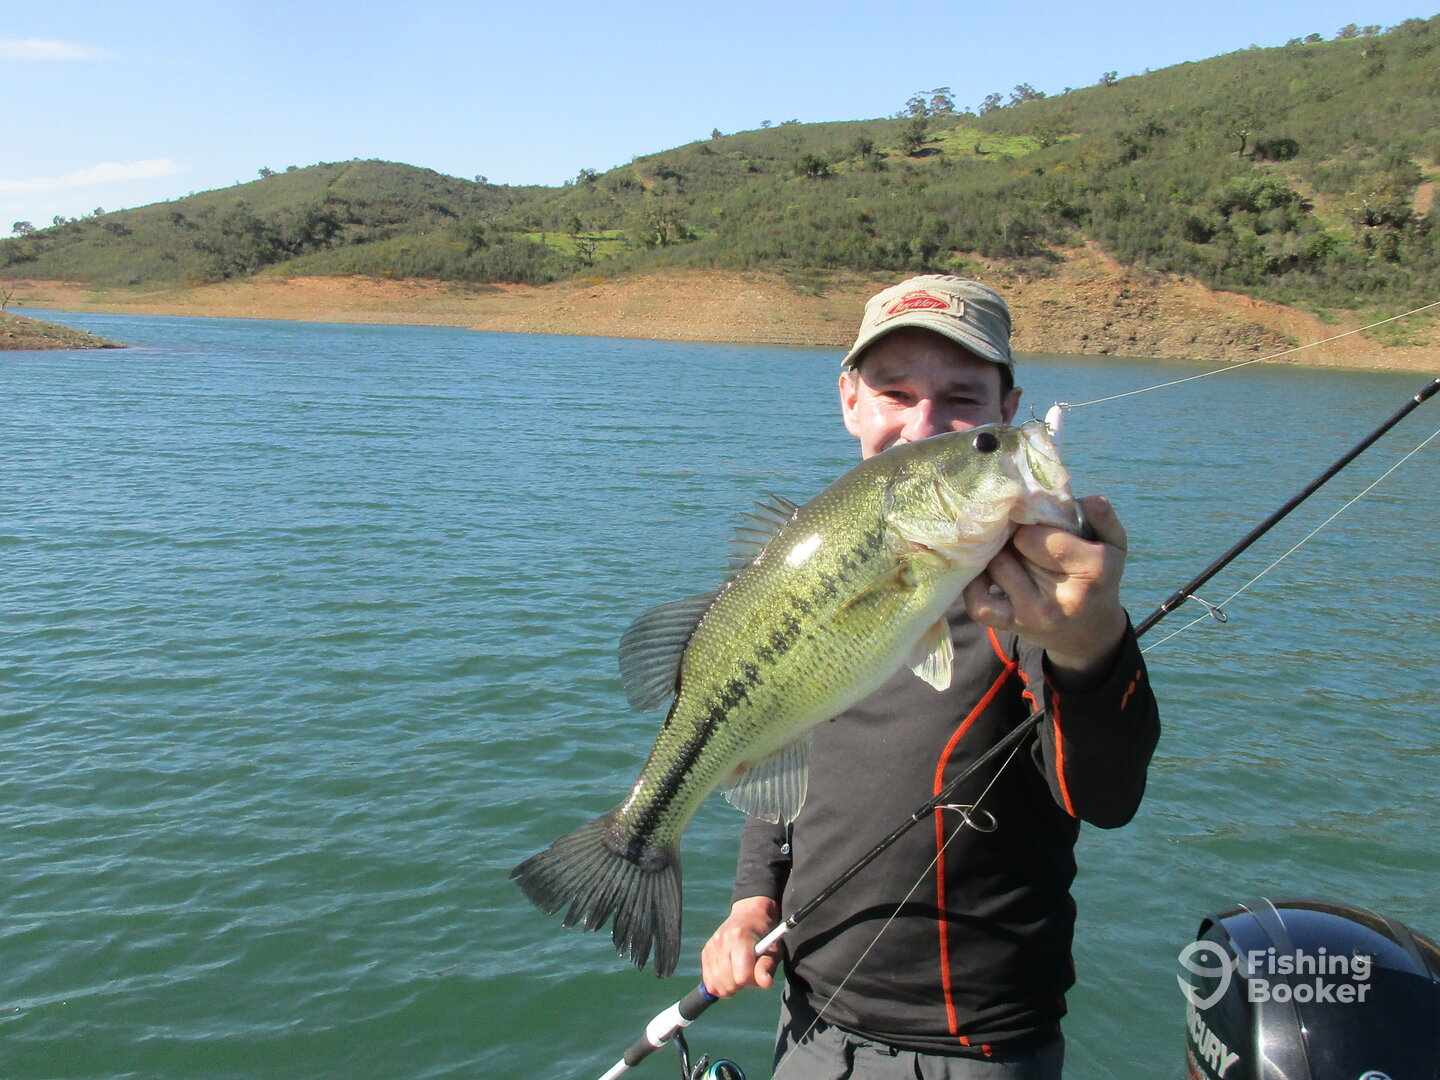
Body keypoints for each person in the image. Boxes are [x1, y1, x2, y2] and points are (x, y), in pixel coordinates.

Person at [699, 275, 1161, 1079]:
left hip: (969, 1050)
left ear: (1008, 410)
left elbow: (1105, 796)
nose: (922, 424)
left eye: (961, 400)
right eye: (895, 392)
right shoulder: (809, 569)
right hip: (804, 1023)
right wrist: (752, 900)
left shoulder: (1034, 600)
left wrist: (1091, 644)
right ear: (850, 401)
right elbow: (781, 741)